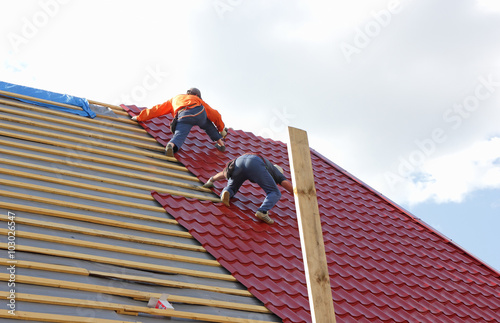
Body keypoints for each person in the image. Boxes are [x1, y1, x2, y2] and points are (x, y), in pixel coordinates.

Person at [131, 88, 227, 156]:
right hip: (198, 112)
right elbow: (214, 114)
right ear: (197, 95)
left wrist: (140, 117)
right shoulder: (197, 99)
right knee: (207, 124)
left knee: (180, 134)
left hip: (184, 115)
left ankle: (171, 145)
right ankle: (221, 144)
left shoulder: (174, 99)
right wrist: (221, 129)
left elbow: (157, 109)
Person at [203, 153, 293, 224]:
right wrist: (297, 193)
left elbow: (224, 173)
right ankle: (262, 211)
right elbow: (285, 183)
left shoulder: (267, 164)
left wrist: (212, 179)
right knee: (274, 192)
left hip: (240, 160)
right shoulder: (275, 171)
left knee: (232, 187)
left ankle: (226, 192)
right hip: (255, 163)